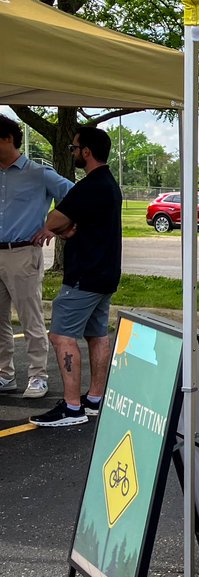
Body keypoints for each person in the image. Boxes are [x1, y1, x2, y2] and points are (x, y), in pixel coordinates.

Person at [29, 127, 121, 428]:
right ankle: (94, 399)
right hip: (105, 274)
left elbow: (53, 220)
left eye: (74, 147)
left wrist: (62, 228)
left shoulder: (90, 186)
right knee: (96, 334)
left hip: (84, 275)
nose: (71, 152)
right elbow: (71, 223)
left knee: (61, 336)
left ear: (87, 152)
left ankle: (71, 408)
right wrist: (68, 228)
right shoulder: (109, 184)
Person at [0, 114, 73, 398]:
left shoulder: (38, 173)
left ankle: (38, 376)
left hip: (23, 254)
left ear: (8, 139)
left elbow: (75, 197)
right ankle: (5, 375)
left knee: (30, 319)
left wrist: (54, 226)